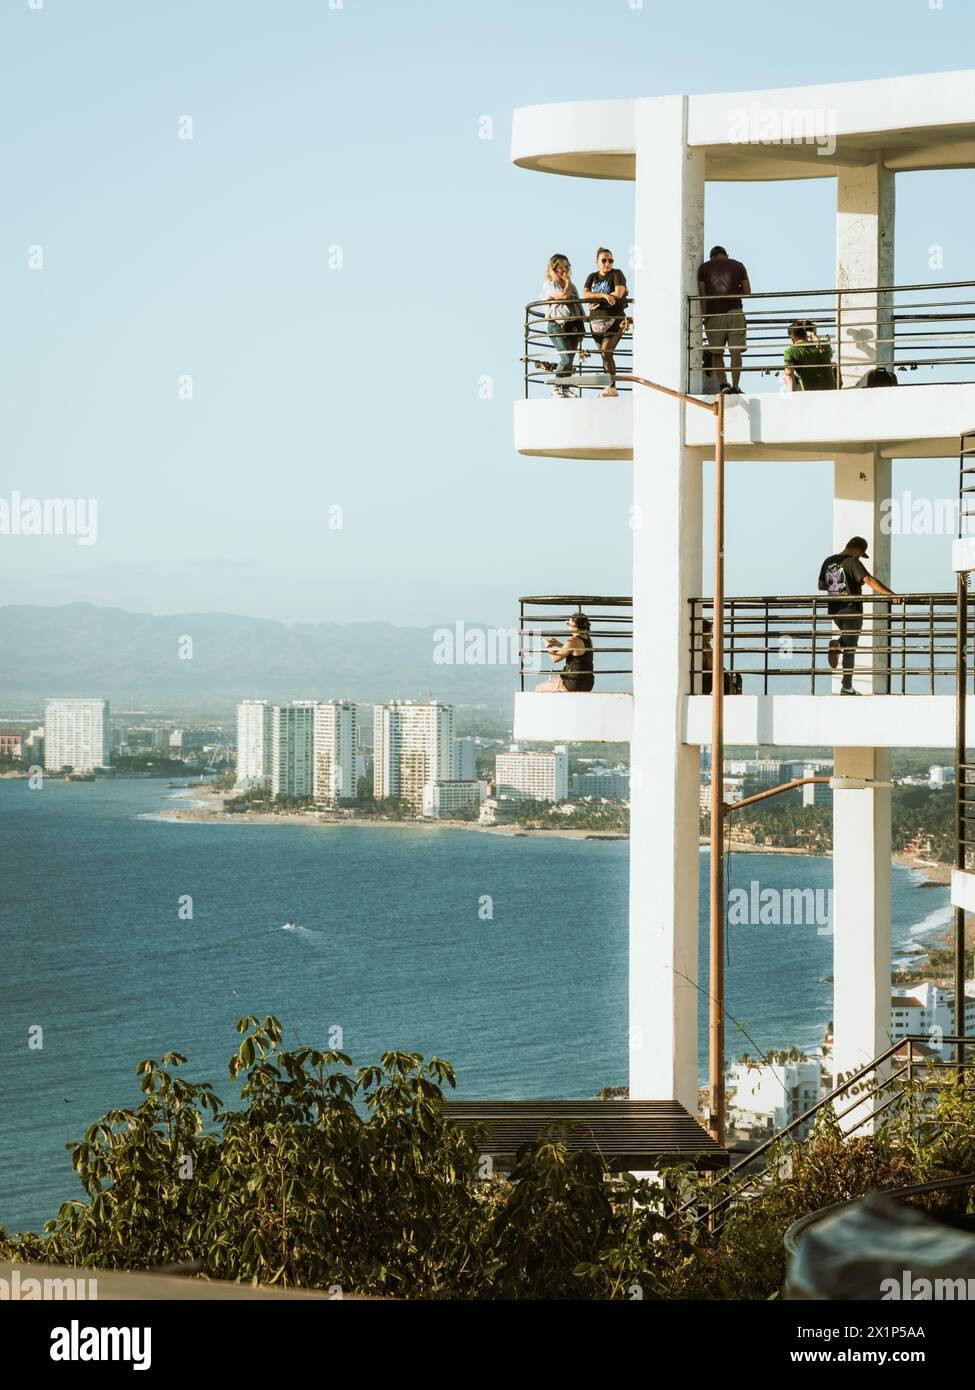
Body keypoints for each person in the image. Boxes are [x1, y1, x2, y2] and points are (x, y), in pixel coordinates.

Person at [818, 536, 901, 695]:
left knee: (848, 640)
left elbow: (821, 585)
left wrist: (840, 582)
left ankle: (838, 645)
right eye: (860, 554)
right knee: (851, 647)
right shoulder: (852, 561)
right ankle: (847, 687)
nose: (859, 557)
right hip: (851, 608)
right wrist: (890, 595)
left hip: (835, 610)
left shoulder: (828, 561)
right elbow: (868, 579)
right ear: (857, 550)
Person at [697, 246, 751, 393]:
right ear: (726, 255)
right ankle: (735, 385)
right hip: (735, 313)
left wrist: (705, 316)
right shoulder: (738, 265)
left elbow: (703, 295)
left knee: (717, 353)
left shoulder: (704, 268)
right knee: (735, 352)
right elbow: (747, 291)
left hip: (714, 315)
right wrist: (734, 293)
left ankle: (723, 384)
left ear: (712, 257)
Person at [583, 248, 628, 397]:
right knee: (603, 355)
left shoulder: (617, 274)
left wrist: (597, 301)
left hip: (614, 320)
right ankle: (609, 387)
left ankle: (612, 387)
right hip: (595, 321)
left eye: (610, 260)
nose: (607, 263)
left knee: (606, 352)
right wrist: (603, 295)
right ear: (597, 262)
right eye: (604, 260)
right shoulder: (592, 276)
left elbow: (618, 293)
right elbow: (586, 294)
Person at [539, 253, 584, 398]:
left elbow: (576, 301)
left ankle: (565, 387)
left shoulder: (571, 285)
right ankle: (556, 386)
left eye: (567, 267)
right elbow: (564, 296)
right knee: (565, 357)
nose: (564, 271)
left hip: (573, 324)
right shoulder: (550, 284)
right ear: (553, 269)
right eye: (561, 268)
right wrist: (568, 282)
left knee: (570, 358)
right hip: (557, 325)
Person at [537, 611, 595, 692]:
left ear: (576, 626)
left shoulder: (573, 641)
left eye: (568, 623)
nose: (567, 626)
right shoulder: (588, 639)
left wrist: (547, 645)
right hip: (588, 683)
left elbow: (555, 659)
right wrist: (558, 644)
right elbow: (575, 651)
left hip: (573, 683)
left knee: (539, 688)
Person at [784, 320, 837, 392]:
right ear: (805, 334)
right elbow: (828, 356)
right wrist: (814, 335)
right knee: (834, 365)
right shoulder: (824, 345)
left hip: (810, 394)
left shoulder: (790, 352)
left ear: (792, 338)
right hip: (831, 391)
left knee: (786, 374)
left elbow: (789, 375)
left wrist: (791, 395)